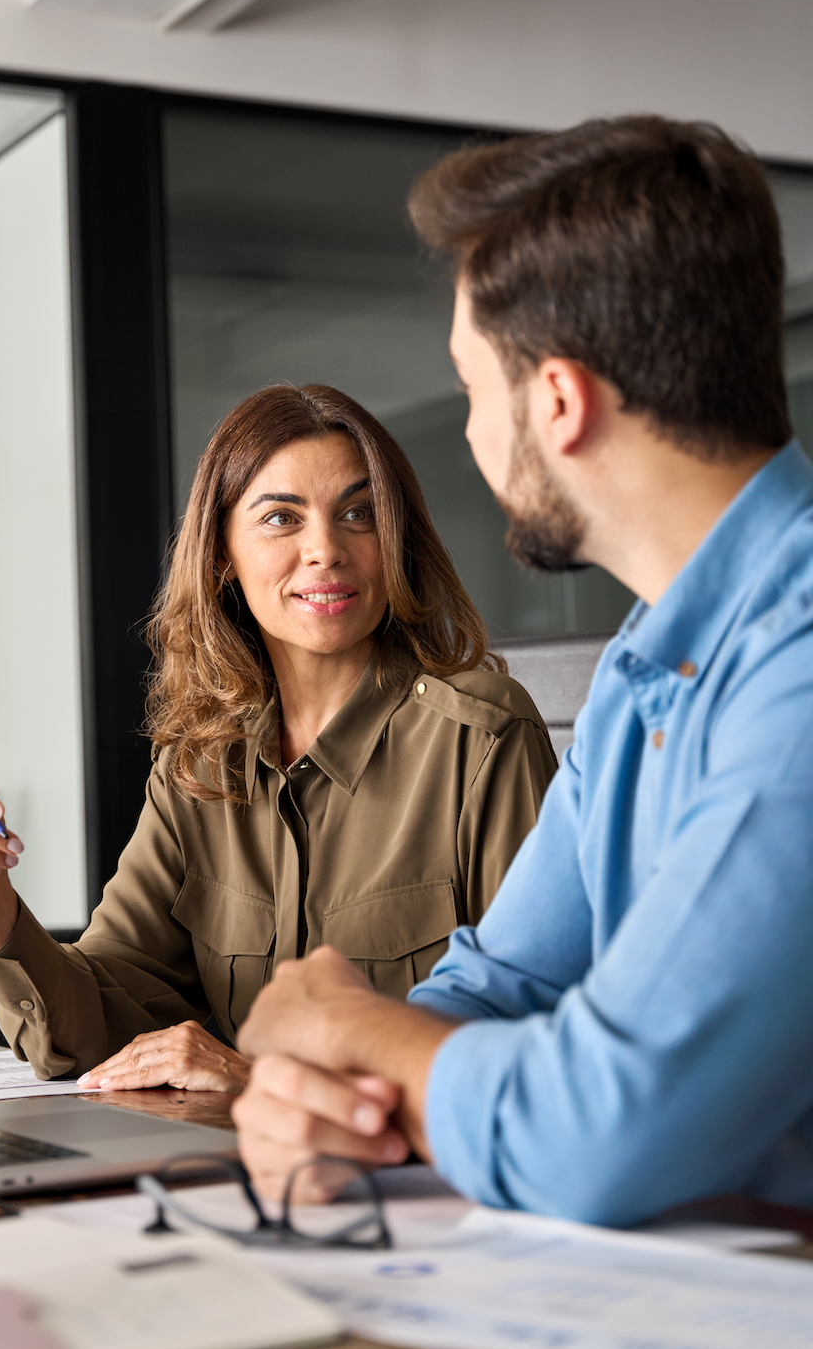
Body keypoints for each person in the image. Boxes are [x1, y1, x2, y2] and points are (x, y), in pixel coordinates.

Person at [232, 114, 813, 1226]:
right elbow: (506, 982)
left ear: (555, 400)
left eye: (466, 388)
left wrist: (345, 1026)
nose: (466, 435)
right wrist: (345, 1092)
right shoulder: (644, 664)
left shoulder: (792, 657)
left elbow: (605, 1125)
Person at [0, 384, 556, 1093]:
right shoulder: (200, 762)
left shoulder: (484, 738)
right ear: (222, 555)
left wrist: (256, 1081)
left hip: (424, 1187)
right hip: (243, 1182)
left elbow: (535, 1051)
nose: (325, 550)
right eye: (282, 518)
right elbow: (93, 1028)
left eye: (359, 513)